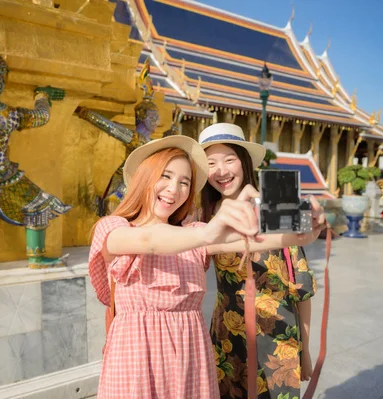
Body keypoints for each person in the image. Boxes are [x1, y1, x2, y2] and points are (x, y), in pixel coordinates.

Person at [88, 134, 325, 398]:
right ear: (144, 177)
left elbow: (255, 239)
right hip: (137, 364)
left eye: (184, 182)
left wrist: (306, 228)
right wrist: (209, 233)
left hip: (192, 362)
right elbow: (149, 240)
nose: (174, 189)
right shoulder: (114, 227)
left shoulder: (196, 231)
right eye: (164, 176)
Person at [199, 123, 320, 399]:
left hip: (279, 340)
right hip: (227, 339)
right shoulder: (204, 216)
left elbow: (302, 291)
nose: (221, 171)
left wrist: (306, 351)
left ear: (243, 162)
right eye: (211, 163)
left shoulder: (274, 205)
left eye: (229, 160)